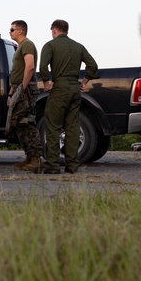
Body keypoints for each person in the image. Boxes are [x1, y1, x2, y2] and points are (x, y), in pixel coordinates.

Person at [39, 19, 99, 174]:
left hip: (59, 88)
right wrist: (84, 81)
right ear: (66, 30)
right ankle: (72, 165)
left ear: (54, 30)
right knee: (72, 127)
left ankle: (53, 165)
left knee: (53, 126)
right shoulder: (78, 46)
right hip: (74, 88)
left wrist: (46, 82)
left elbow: (43, 67)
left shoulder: (50, 45)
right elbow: (93, 66)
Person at [7, 20, 43, 173]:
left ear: (20, 31)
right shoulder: (20, 47)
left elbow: (30, 66)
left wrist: (22, 88)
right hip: (18, 88)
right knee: (20, 123)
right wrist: (11, 93)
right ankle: (29, 157)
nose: (10, 32)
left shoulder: (27, 44)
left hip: (25, 89)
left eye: (12, 29)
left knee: (27, 122)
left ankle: (36, 159)